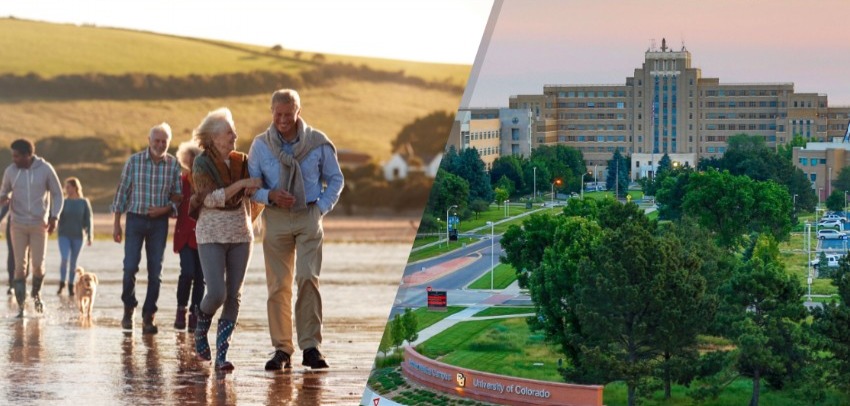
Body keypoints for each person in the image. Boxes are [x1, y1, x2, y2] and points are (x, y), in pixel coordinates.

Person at [248, 89, 344, 370]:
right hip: (275, 218)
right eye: (277, 114)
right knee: (278, 286)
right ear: (272, 112)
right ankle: (282, 350)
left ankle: (311, 347)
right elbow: (252, 188)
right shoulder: (260, 146)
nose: (282, 119)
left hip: (308, 215)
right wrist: (270, 197)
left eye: (288, 114)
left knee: (307, 277)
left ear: (298, 112)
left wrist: (320, 208)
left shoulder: (318, 143)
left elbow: (336, 179)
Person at [190, 107, 262, 371]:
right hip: (210, 234)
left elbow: (256, 190)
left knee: (234, 295)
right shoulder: (202, 164)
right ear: (213, 137)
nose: (235, 135)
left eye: (234, 131)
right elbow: (211, 198)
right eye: (229, 132)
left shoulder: (243, 161)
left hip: (241, 235)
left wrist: (258, 188)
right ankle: (200, 328)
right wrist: (243, 184)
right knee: (217, 293)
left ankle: (221, 356)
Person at [112, 123, 182, 334]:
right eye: (157, 141)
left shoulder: (173, 165)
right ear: (149, 140)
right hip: (135, 220)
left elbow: (179, 197)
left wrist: (165, 209)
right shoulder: (133, 162)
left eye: (164, 141)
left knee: (155, 272)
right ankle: (128, 308)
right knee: (130, 266)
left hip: (159, 224)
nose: (160, 145)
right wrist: (116, 224)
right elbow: (121, 193)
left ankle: (149, 316)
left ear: (168, 143)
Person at [0, 139, 64, 317]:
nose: (14, 159)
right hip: (17, 224)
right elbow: (3, 191)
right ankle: (21, 309)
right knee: (19, 267)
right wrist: (3, 197)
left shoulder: (45, 169)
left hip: (39, 224)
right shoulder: (11, 171)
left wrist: (55, 216)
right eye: (13, 155)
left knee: (38, 265)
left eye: (17, 156)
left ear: (28, 155)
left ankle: (36, 295)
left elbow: (58, 195)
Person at [173, 140, 205, 331]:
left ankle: (196, 314)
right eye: (190, 161)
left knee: (201, 278)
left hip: (204, 235)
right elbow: (174, 202)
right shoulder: (181, 182)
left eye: (196, 161)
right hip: (184, 234)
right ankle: (180, 309)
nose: (193, 165)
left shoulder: (206, 182)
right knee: (187, 272)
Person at [56, 177, 93, 296]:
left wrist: (90, 235)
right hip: (63, 235)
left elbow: (89, 219)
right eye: (65, 187)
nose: (66, 189)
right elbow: (56, 216)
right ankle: (62, 283)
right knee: (64, 258)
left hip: (78, 236)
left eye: (68, 187)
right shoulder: (63, 202)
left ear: (75, 187)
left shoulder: (83, 202)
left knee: (73, 262)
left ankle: (71, 285)